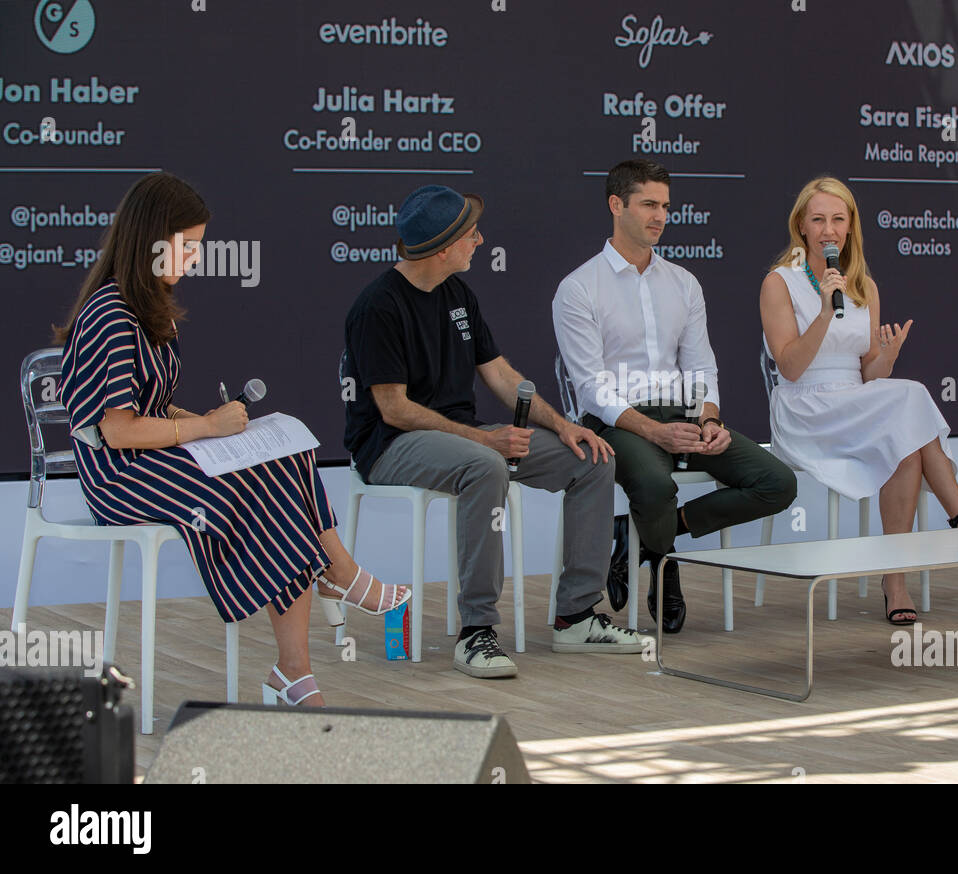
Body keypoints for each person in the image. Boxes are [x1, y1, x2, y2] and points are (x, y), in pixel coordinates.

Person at [55, 171, 409, 708]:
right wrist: (205, 429)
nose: (196, 259)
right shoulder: (110, 312)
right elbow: (117, 428)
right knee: (259, 487)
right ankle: (333, 585)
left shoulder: (148, 307)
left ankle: (300, 656)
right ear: (154, 240)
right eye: (189, 245)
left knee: (284, 454)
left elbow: (153, 402)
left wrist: (214, 424)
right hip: (119, 476)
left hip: (153, 456)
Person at [345, 184, 642, 680]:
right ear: (443, 248)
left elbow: (500, 374)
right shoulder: (378, 306)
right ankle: (476, 632)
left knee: (593, 458)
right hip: (388, 446)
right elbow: (393, 409)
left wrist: (564, 424)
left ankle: (576, 617)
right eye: (471, 234)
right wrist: (484, 440)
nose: (481, 241)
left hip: (461, 435)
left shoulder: (458, 292)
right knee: (484, 466)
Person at [554, 159, 798, 634]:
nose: (660, 216)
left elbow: (701, 365)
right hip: (617, 422)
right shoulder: (579, 288)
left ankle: (637, 540)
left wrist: (709, 420)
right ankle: (666, 569)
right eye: (648, 204)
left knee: (776, 482)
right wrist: (653, 431)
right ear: (615, 205)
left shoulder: (684, 283)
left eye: (665, 206)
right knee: (654, 486)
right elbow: (592, 387)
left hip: (684, 416)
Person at [759, 176, 958, 626]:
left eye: (838, 220)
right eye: (819, 219)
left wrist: (889, 355)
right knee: (912, 402)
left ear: (850, 228)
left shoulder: (864, 285)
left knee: (905, 445)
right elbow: (789, 366)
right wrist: (825, 313)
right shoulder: (779, 282)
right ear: (801, 226)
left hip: (854, 403)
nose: (829, 229)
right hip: (805, 409)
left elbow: (869, 376)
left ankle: (895, 581)